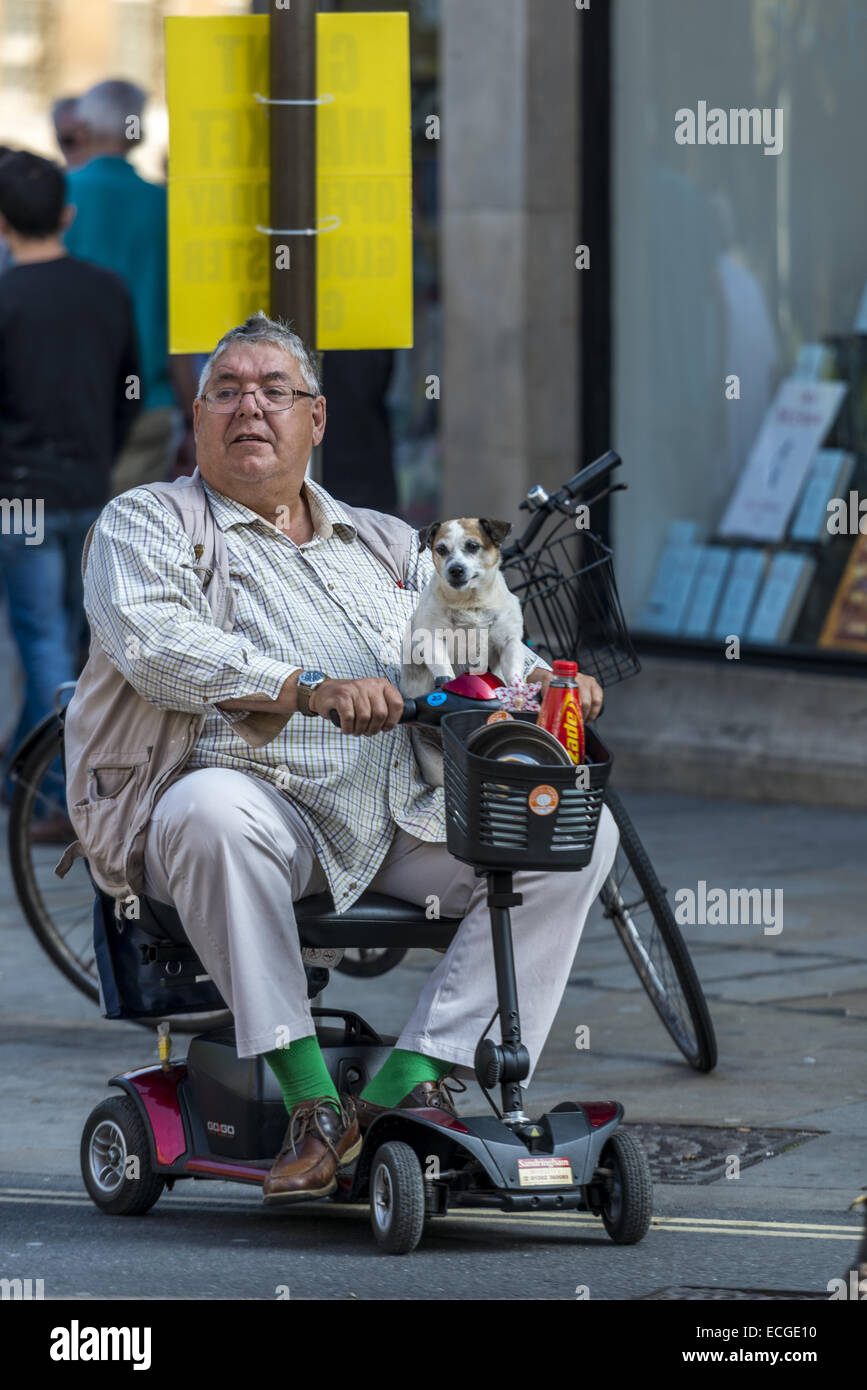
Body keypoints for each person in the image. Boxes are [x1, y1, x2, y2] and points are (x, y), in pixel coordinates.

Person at [78, 312, 618, 1203]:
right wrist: (305, 685)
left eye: (275, 391)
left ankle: (412, 1079)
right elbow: (154, 646)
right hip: (247, 810)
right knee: (214, 809)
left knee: (571, 834)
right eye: (227, 391)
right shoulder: (147, 521)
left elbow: (473, 634)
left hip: (397, 813)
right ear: (199, 414)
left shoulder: (383, 539)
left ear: (316, 420)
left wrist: (543, 684)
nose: (250, 407)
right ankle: (312, 1105)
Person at [0, 150, 139, 813]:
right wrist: (101, 453)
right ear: (67, 214)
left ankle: (52, 789)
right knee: (82, 636)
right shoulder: (106, 289)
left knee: (40, 633)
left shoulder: (6, 296)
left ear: (1, 224)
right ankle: (52, 775)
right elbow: (129, 392)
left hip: (19, 495)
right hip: (89, 483)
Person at [63, 79, 196, 495]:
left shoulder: (61, 195)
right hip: (149, 398)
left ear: (83, 129)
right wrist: (191, 405)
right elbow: (178, 314)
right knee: (130, 538)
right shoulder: (165, 205)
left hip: (69, 393)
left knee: (66, 538)